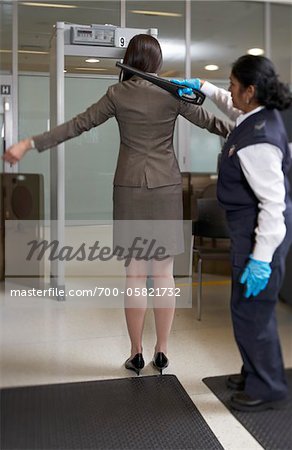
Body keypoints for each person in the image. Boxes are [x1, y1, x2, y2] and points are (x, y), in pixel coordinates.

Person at [3, 34, 231, 376]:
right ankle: (163, 350)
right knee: (164, 273)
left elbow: (76, 126)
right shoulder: (172, 94)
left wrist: (29, 143)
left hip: (129, 189)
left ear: (130, 59)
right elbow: (211, 123)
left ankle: (136, 353)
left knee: (136, 275)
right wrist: (255, 134)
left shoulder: (118, 94)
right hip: (167, 188)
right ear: (154, 62)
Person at [173, 55, 292, 411]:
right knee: (248, 309)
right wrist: (204, 88)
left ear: (250, 91)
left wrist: (261, 259)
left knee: (251, 312)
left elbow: (274, 206)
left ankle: (268, 386)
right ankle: (255, 372)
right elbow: (232, 107)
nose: (229, 91)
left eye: (233, 85)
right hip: (249, 231)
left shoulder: (259, 140)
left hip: (260, 236)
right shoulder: (257, 116)